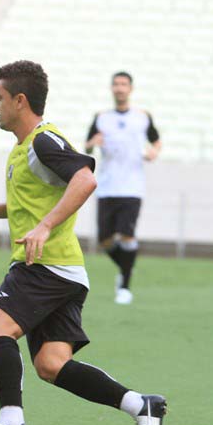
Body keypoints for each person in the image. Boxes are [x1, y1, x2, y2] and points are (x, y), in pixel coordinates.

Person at [0, 61, 166, 425]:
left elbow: (85, 179)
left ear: (20, 101)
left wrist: (44, 227)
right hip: (64, 271)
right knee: (52, 364)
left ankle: (11, 424)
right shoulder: (23, 149)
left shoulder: (43, 141)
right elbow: (37, 201)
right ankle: (141, 405)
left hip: (44, 266)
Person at [85, 71, 162, 305]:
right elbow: (87, 147)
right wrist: (92, 143)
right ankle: (127, 267)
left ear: (130, 88)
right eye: (116, 84)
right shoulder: (101, 118)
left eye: (124, 84)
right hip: (106, 186)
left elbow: (156, 140)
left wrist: (153, 152)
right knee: (105, 240)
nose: (120, 88)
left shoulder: (142, 117)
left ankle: (125, 287)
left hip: (132, 187)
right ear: (112, 88)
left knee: (127, 235)